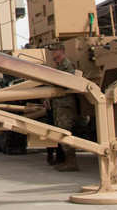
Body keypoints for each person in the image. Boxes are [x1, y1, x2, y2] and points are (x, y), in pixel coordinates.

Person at [49, 44, 80, 172]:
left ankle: (71, 162)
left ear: (61, 51)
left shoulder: (67, 66)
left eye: (55, 51)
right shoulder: (59, 66)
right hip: (59, 104)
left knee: (65, 131)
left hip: (65, 104)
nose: (52, 54)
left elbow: (68, 83)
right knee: (61, 132)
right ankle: (67, 160)